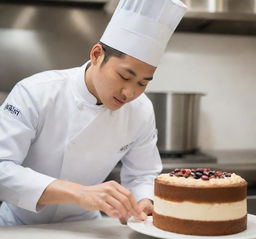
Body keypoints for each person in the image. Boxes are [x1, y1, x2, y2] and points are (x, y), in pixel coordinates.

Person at [0, 0, 186, 225]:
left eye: (143, 83)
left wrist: (144, 200)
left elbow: (142, 174)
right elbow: (3, 168)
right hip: (21, 226)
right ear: (96, 54)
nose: (130, 93)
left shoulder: (141, 110)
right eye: (124, 77)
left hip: (87, 226)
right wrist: (79, 193)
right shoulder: (36, 92)